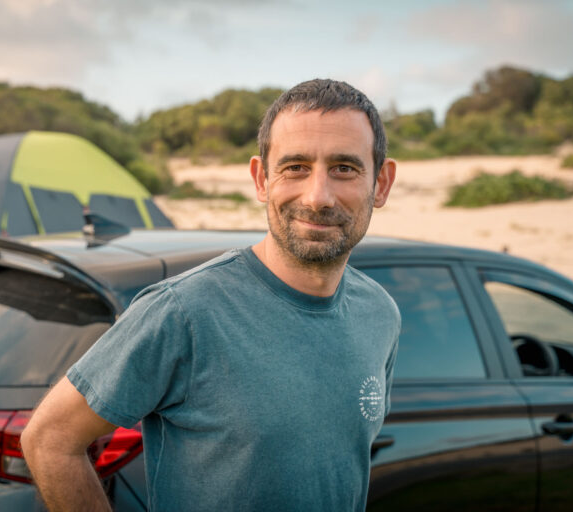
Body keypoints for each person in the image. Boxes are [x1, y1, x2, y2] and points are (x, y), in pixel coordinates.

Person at [21, 78, 400, 512]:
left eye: (344, 168)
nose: (318, 197)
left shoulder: (380, 313)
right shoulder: (183, 312)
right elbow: (49, 440)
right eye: (295, 167)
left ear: (381, 183)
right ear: (261, 179)